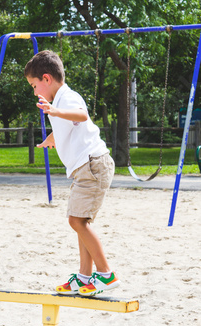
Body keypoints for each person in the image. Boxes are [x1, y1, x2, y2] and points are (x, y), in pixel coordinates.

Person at [24, 50, 119, 296]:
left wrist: (54, 113)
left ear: (46, 78)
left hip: (93, 166)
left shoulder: (66, 98)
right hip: (86, 168)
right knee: (80, 221)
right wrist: (51, 138)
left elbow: (82, 115)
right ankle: (84, 277)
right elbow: (69, 125)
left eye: (34, 86)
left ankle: (106, 275)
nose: (34, 92)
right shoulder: (58, 102)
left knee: (76, 221)